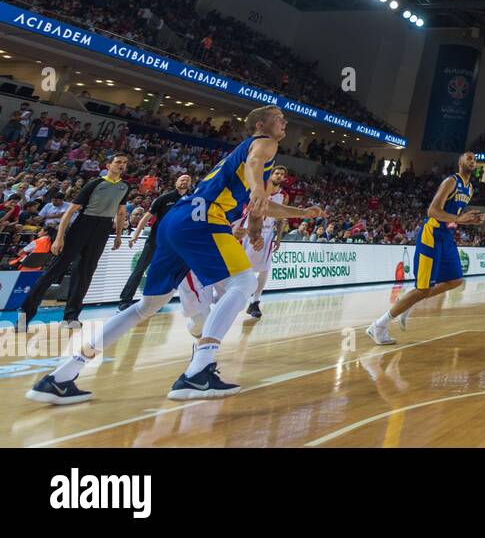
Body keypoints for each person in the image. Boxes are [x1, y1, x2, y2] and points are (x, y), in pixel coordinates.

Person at [26, 106, 324, 405]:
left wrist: (301, 212)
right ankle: (199, 370)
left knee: (148, 305)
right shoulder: (264, 143)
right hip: (203, 218)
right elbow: (256, 163)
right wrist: (259, 186)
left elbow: (260, 203)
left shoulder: (242, 161)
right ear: (261, 124)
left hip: (177, 221)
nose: (284, 121)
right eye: (278, 118)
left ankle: (61, 375)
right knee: (244, 283)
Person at [367, 152, 484, 344]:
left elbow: (454, 215)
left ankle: (409, 302)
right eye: (469, 158)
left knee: (455, 280)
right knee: (422, 288)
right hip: (431, 234)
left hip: (446, 236)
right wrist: (458, 218)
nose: (473, 161)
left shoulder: (469, 188)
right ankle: (378, 326)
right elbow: (433, 211)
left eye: (475, 160)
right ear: (460, 162)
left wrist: (470, 219)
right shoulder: (451, 181)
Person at [19, 153, 131, 329]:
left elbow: (121, 212)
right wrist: (59, 238)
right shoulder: (95, 183)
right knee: (54, 270)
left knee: (85, 274)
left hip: (102, 229)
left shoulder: (125, 186)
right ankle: (25, 315)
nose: (122, 165)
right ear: (108, 165)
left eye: (124, 163)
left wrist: (117, 236)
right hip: (83, 225)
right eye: (118, 162)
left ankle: (71, 317)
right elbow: (70, 212)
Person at [118, 173, 192, 310]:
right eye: (182, 179)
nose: (184, 182)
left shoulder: (191, 200)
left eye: (187, 180)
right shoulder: (165, 198)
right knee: (140, 269)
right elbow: (146, 217)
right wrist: (135, 235)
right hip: (155, 240)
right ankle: (125, 299)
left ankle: (156, 302)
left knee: (163, 272)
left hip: (173, 243)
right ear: (176, 181)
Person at [234, 165, 289, 318]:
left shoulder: (283, 195)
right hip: (248, 230)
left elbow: (280, 219)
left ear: (284, 178)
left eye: (281, 174)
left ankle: (255, 301)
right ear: (271, 175)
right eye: (276, 173)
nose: (278, 176)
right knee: (240, 265)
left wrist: (278, 238)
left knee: (264, 269)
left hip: (266, 234)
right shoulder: (259, 188)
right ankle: (231, 295)